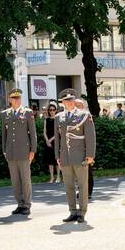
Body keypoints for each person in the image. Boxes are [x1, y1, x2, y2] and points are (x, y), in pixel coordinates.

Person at [56, 92, 95, 223]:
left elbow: (90, 137)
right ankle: (72, 211)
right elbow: (58, 139)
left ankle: (82, 212)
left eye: (71, 100)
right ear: (62, 102)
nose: (69, 102)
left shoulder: (84, 115)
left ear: (74, 100)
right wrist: (57, 155)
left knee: (83, 185)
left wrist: (90, 155)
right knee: (69, 186)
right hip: (65, 156)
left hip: (80, 156)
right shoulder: (59, 117)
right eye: (66, 100)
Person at [1, 88, 36, 216]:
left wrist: (33, 150)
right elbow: (4, 134)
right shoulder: (5, 114)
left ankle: (26, 204)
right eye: (14, 98)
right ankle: (20, 204)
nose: (17, 100)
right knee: (15, 180)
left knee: (25, 179)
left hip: (24, 151)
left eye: (18, 98)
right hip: (11, 151)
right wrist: (4, 150)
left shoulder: (27, 112)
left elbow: (33, 134)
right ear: (10, 100)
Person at [41, 102, 59, 182]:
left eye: (53, 110)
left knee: (57, 160)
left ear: (56, 110)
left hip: (55, 141)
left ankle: (58, 177)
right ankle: (52, 177)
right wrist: (47, 140)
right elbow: (44, 132)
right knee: (50, 161)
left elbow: (58, 132)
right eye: (50, 110)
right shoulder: (46, 120)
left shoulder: (57, 119)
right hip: (48, 142)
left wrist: (51, 140)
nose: (52, 111)